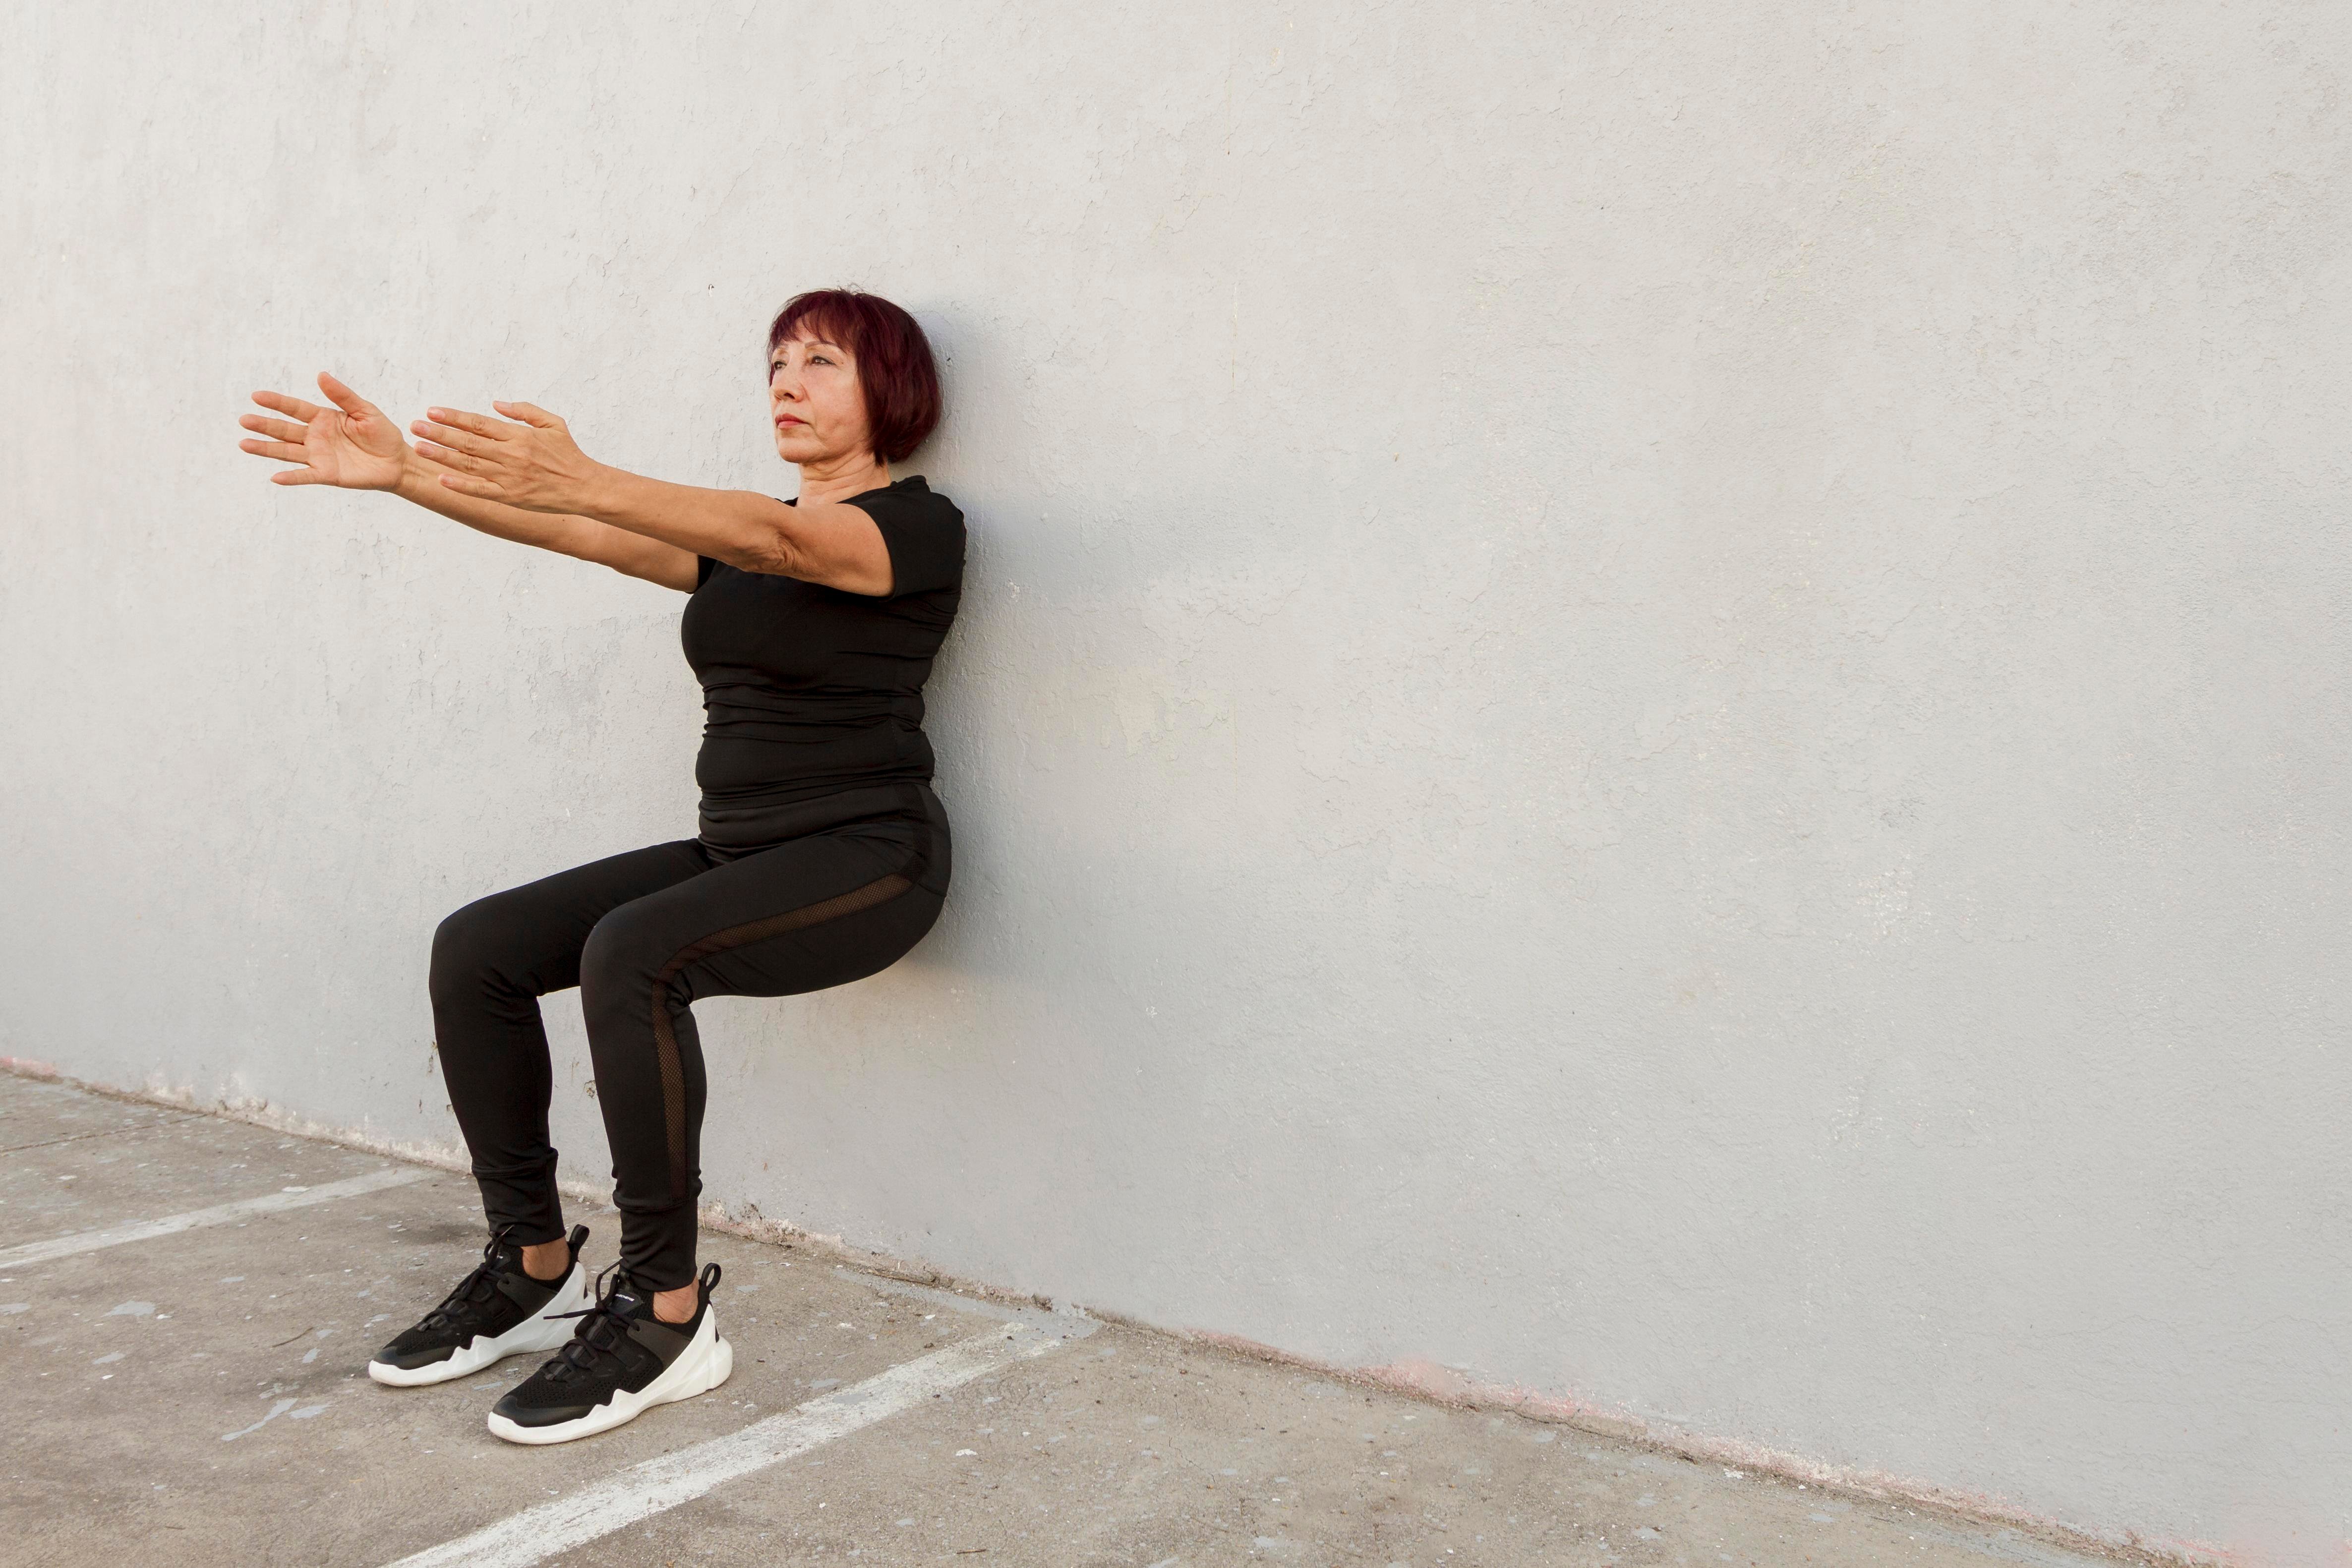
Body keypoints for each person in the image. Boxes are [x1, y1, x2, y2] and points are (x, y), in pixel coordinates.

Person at [235, 289, 963, 1445]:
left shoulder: (916, 528)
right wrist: (406, 478)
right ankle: (531, 1264)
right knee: (478, 947)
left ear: (893, 391)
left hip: (870, 858)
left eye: (821, 360)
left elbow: (783, 537)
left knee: (632, 950)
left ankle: (668, 1311)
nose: (786, 379)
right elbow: (576, 529)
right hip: (742, 850)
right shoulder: (732, 547)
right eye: (776, 359)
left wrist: (584, 471)